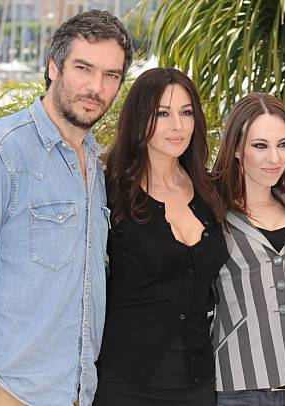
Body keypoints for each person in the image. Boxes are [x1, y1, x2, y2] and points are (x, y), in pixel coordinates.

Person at [0, 10, 132, 406]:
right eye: (83, 68)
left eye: (111, 75)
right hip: (5, 392)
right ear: (53, 67)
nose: (96, 87)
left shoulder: (93, 161)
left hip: (73, 392)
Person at [94, 68, 228, 406]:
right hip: (124, 382)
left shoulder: (209, 191)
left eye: (186, 113)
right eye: (162, 114)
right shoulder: (108, 190)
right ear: (140, 118)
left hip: (197, 381)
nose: (177, 126)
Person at [211, 93, 285, 405]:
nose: (275, 158)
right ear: (235, 148)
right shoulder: (213, 211)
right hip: (238, 383)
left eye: (283, 145)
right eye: (260, 145)